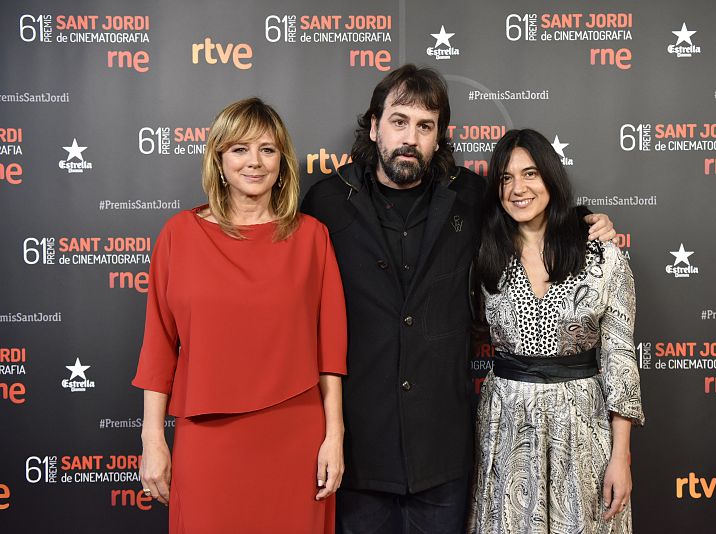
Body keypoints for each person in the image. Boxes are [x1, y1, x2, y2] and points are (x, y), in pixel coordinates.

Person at [301, 65, 617, 533]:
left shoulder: (471, 197)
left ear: (440, 136)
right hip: (358, 450)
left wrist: (584, 223)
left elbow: (530, 216)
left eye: (425, 126)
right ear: (374, 126)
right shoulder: (326, 202)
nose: (410, 137)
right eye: (399, 121)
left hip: (442, 455)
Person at [132, 97, 347, 533]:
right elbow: (159, 347)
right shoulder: (179, 235)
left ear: (283, 162)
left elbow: (330, 353)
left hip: (295, 437)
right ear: (218, 158)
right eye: (240, 149)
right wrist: (152, 438)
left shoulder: (312, 238)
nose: (255, 162)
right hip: (207, 439)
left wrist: (335, 436)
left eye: (267, 150)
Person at [468, 128, 644, 533]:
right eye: (506, 178)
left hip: (582, 428)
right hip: (506, 425)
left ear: (551, 177)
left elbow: (619, 357)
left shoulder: (600, 251)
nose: (517, 189)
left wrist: (621, 456)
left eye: (530, 174)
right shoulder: (484, 252)